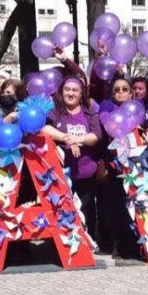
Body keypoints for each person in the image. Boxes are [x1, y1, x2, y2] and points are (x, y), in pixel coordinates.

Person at [43, 77, 103, 243]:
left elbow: (96, 136)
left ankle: (88, 242)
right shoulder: (54, 113)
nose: (70, 93)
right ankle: (64, 243)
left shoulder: (89, 113)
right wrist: (66, 138)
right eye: (67, 89)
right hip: (61, 173)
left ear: (81, 93)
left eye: (75, 90)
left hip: (86, 172)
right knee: (61, 209)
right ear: (61, 92)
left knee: (86, 209)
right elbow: (44, 128)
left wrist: (78, 139)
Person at [97, 77, 139, 257]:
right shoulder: (107, 108)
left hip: (136, 164)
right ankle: (118, 245)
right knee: (115, 207)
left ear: (131, 93)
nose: (121, 92)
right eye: (117, 89)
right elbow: (107, 124)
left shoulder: (138, 108)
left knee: (135, 204)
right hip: (113, 164)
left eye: (124, 89)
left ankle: (136, 243)